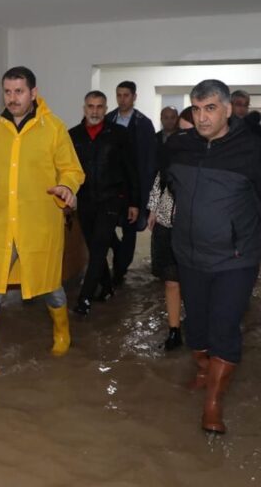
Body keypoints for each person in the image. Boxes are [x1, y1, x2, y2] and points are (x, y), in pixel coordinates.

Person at [166, 80, 261, 433]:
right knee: (197, 327)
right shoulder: (180, 145)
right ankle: (205, 371)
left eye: (210, 108)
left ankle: (213, 403)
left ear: (226, 109)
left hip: (234, 258)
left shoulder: (251, 149)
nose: (203, 116)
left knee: (224, 326)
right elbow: (166, 190)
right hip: (189, 255)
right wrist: (164, 229)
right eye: (196, 109)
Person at [0, 66, 85, 376]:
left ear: (33, 93)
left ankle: (62, 332)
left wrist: (66, 186)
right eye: (8, 92)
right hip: (0, 223)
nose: (13, 98)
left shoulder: (53, 127)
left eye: (19, 92)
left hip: (39, 222)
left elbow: (72, 170)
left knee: (49, 285)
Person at [69, 91, 139, 316]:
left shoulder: (118, 134)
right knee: (94, 246)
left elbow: (131, 170)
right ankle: (107, 288)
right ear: (84, 108)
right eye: (91, 106)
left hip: (111, 199)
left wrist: (133, 202)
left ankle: (84, 300)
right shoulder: (73, 136)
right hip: (85, 200)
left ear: (106, 109)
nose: (95, 111)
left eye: (100, 107)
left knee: (98, 248)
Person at [148, 106, 194, 351]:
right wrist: (153, 210)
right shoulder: (171, 149)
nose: (187, 136)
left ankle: (197, 325)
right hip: (167, 222)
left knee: (193, 281)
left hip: (197, 227)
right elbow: (159, 179)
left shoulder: (212, 156)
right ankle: (174, 330)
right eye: (183, 130)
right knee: (171, 281)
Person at [105, 81, 159, 286]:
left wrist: (144, 191)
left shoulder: (143, 123)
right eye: (119, 95)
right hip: (110, 185)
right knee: (105, 226)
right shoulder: (108, 119)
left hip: (132, 186)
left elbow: (149, 159)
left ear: (134, 97)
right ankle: (118, 255)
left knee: (129, 228)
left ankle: (120, 269)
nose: (122, 99)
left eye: (126, 95)